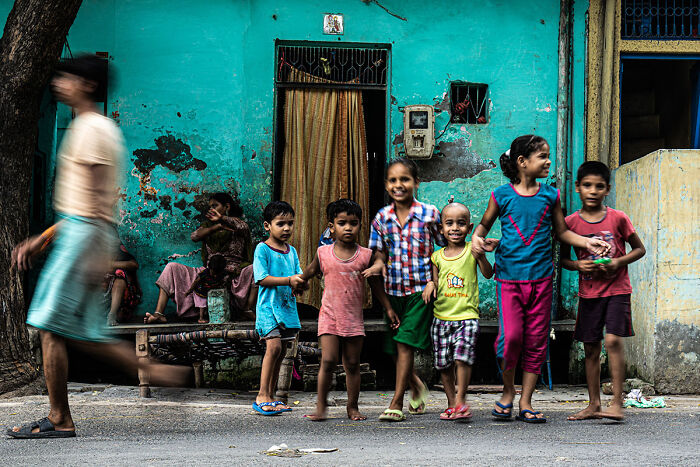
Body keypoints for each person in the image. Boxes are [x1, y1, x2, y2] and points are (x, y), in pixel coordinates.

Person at [7, 55, 188, 439]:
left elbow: (93, 201)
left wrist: (90, 253)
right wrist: (44, 238)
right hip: (82, 231)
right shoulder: (88, 126)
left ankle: (60, 418)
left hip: (84, 233)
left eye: (66, 78)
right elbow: (84, 202)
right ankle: (162, 373)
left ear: (87, 85)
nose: (58, 83)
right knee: (81, 329)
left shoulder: (91, 127)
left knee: (48, 324)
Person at [471, 135, 611, 424]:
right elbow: (483, 225)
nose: (548, 161)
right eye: (542, 156)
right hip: (509, 280)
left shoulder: (551, 196)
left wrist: (587, 243)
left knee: (536, 341)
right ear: (522, 162)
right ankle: (508, 392)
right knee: (510, 339)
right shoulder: (501, 195)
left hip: (542, 280)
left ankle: (526, 400)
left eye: (549, 155)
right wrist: (478, 240)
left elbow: (561, 233)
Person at [563, 161, 645, 421]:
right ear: (578, 188)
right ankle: (593, 404)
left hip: (617, 289)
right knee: (591, 348)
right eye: (587, 185)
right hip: (589, 293)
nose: (593, 191)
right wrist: (579, 264)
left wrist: (618, 262)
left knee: (612, 341)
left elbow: (639, 249)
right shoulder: (570, 223)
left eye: (599, 186)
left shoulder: (618, 218)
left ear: (607, 189)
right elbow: (564, 260)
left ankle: (617, 403)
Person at [365, 157, 445, 422]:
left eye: (405, 179)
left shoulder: (429, 214)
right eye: (393, 180)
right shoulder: (382, 218)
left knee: (404, 346)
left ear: (416, 183)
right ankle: (417, 386)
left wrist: (434, 281)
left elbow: (443, 250)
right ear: (387, 185)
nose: (399, 185)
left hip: (420, 292)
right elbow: (379, 253)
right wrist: (377, 265)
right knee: (396, 348)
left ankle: (396, 402)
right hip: (392, 292)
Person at [299, 199, 393, 421]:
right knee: (329, 361)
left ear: (360, 225)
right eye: (342, 223)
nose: (348, 227)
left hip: (353, 319)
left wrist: (388, 309)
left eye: (354, 223)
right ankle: (321, 406)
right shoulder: (323, 253)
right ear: (331, 226)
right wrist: (299, 281)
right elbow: (310, 271)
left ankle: (352, 407)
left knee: (352, 364)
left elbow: (376, 287)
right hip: (329, 316)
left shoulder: (365, 255)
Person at [422, 203, 497, 421]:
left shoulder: (470, 251)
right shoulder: (436, 257)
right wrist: (430, 284)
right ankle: (451, 402)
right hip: (441, 318)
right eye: (450, 223)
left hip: (467, 317)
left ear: (469, 227)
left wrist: (481, 255)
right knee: (443, 364)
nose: (455, 228)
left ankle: (462, 400)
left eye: (461, 223)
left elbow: (488, 274)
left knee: (462, 359)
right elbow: (436, 282)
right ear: (441, 229)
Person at [144, 193, 256, 324]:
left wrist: (223, 219)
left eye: (215, 205)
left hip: (234, 272)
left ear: (227, 206)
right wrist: (216, 226)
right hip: (209, 271)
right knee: (172, 267)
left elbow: (243, 227)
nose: (211, 209)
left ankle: (246, 310)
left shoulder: (237, 223)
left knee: (255, 269)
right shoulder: (207, 226)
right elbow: (195, 236)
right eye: (210, 207)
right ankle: (159, 314)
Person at [252, 201, 305, 415]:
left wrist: (301, 283)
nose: (286, 228)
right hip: (267, 310)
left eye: (290, 224)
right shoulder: (262, 249)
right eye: (280, 223)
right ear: (267, 226)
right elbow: (262, 278)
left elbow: (298, 275)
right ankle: (262, 395)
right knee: (273, 348)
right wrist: (289, 280)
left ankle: (272, 397)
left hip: (286, 309)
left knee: (282, 351)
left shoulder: (291, 251)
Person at [105, 238, 142, 326]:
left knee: (120, 277)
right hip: (96, 299)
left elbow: (134, 264)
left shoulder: (119, 252)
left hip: (118, 302)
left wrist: (111, 264)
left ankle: (112, 315)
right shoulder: (92, 251)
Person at [185, 254, 230, 324]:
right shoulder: (204, 273)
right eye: (214, 272)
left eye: (217, 273)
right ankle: (201, 318)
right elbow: (196, 281)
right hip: (201, 291)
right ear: (210, 267)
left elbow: (226, 279)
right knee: (202, 304)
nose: (215, 275)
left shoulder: (222, 273)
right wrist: (189, 290)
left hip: (210, 291)